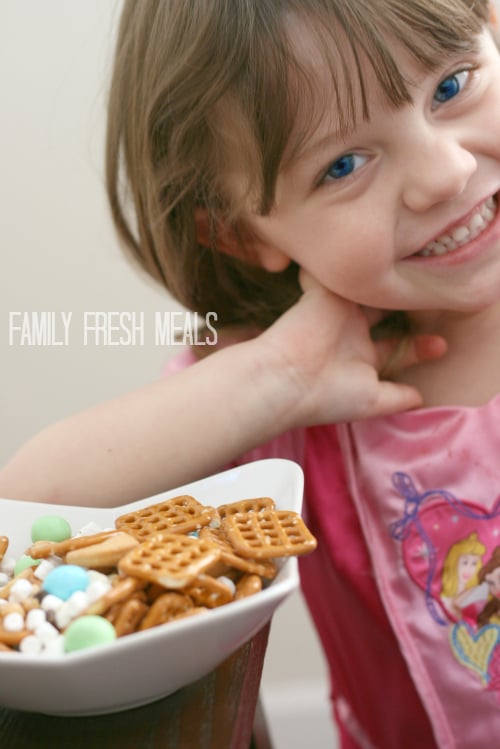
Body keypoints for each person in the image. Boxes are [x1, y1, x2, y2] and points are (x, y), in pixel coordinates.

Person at [1, 0, 500, 745]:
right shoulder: (305, 405)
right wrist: (275, 377)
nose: (445, 171)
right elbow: (29, 502)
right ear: (239, 233)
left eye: (452, 86)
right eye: (343, 165)